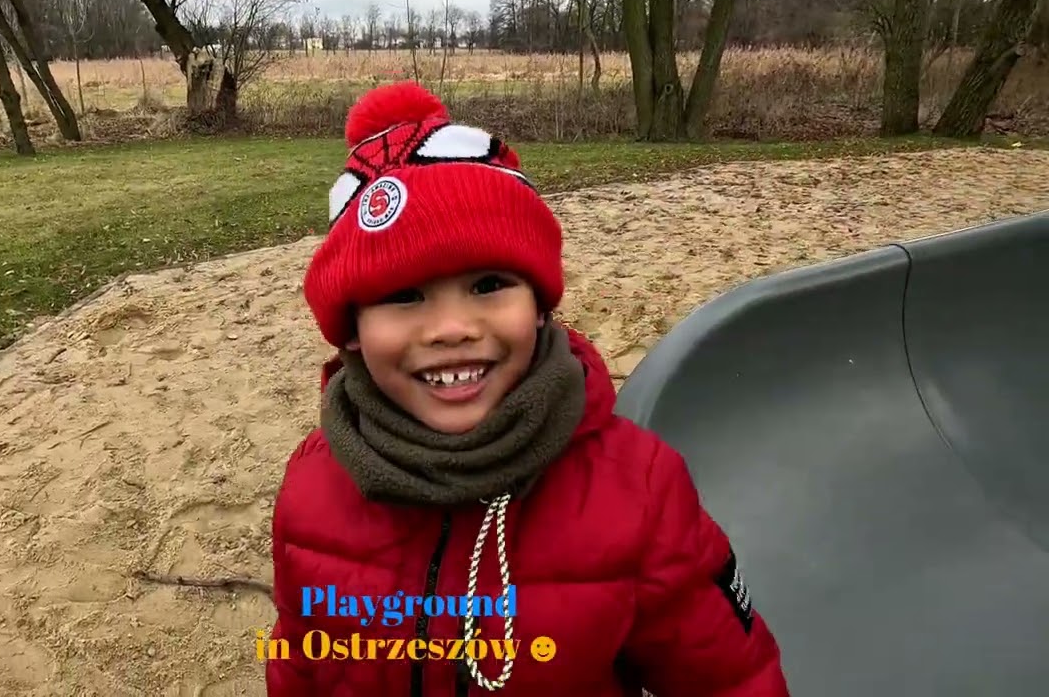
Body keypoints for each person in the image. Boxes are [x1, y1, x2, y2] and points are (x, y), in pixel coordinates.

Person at [265, 81, 790, 697]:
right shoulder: (311, 489)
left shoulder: (638, 491)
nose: (453, 329)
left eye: (488, 284)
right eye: (404, 296)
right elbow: (301, 664)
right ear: (350, 332)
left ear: (539, 306)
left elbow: (733, 679)